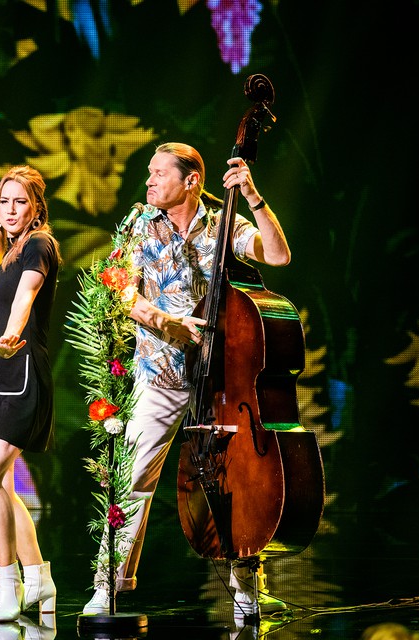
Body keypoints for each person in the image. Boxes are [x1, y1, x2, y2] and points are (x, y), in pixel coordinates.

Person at [81, 142, 291, 619]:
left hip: (218, 383)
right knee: (131, 479)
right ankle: (107, 587)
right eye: (150, 173)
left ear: (190, 181)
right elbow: (117, 289)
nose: (150, 181)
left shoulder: (223, 221)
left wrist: (254, 198)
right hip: (158, 375)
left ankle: (245, 589)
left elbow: (277, 256)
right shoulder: (139, 224)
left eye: (159, 173)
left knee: (231, 480)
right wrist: (163, 321)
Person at [0, 165, 61, 623]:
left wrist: (9, 336)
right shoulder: (5, 255)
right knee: (0, 483)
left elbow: (25, 299)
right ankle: (38, 576)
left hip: (22, 372)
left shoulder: (39, 246)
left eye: (19, 201)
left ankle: (9, 581)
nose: (10, 210)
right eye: (4, 201)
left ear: (36, 208)